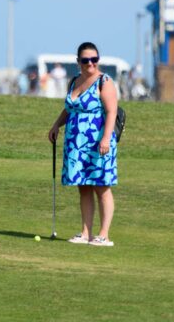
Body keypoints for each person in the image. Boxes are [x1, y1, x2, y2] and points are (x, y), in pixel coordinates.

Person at [48, 42, 118, 247]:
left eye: (94, 60)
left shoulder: (104, 81)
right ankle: (85, 232)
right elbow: (70, 108)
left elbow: (112, 111)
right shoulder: (74, 81)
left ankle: (103, 234)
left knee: (101, 186)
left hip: (97, 142)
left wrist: (105, 138)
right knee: (84, 187)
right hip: (75, 142)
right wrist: (56, 125)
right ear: (78, 61)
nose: (90, 64)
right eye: (86, 60)